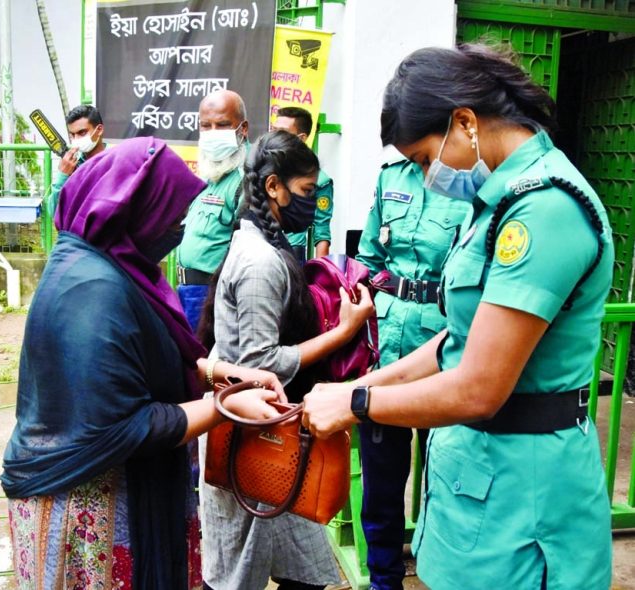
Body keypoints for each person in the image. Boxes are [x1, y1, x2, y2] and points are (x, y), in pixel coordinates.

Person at [302, 44, 613, 589]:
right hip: (478, 480)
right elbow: (455, 341)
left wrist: (356, 403)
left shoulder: (543, 210)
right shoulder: (497, 202)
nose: (426, 178)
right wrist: (362, 384)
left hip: (525, 495)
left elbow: (479, 387)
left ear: (465, 122)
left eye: (425, 159)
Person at [0, 136, 288, 589]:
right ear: (136, 210)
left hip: (123, 486)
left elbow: (135, 360)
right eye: (171, 217)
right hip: (89, 502)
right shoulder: (94, 290)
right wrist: (226, 406)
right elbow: (120, 424)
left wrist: (215, 372)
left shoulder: (112, 265)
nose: (178, 229)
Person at [197, 131, 375, 590]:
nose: (313, 203)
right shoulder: (261, 261)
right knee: (241, 572)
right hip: (254, 435)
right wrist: (344, 332)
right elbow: (263, 361)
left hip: (270, 431)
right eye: (306, 191)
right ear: (274, 187)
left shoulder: (267, 245)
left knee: (300, 565)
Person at [355, 160, 470, 590]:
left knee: (448, 473)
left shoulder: (471, 181)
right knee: (381, 480)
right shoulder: (391, 176)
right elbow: (368, 256)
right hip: (386, 343)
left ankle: (444, 572)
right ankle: (384, 579)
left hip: (447, 343)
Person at [176, 89, 249, 331]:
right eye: (205, 126)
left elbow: (245, 250)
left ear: (243, 129)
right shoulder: (210, 176)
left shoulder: (243, 180)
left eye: (223, 125)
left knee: (204, 365)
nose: (212, 134)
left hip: (212, 296)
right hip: (186, 292)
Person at [272, 106, 335, 262]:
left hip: (291, 256)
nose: (275, 136)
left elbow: (322, 232)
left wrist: (321, 276)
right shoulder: (262, 168)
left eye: (283, 132)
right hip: (257, 251)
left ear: (301, 138)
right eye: (273, 130)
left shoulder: (319, 180)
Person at [45, 104, 106, 218]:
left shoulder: (116, 158)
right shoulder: (73, 166)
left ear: (99, 130)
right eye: (72, 135)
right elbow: (54, 213)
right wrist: (62, 176)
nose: (76, 139)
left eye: (82, 133)